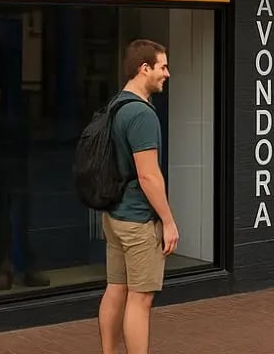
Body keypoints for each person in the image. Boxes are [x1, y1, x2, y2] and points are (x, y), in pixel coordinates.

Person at [98, 39, 179, 354]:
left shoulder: (115, 104)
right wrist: (168, 221)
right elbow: (148, 175)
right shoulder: (142, 114)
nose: (167, 74)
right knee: (140, 298)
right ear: (144, 68)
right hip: (138, 220)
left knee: (115, 289)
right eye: (162, 67)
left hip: (114, 214)